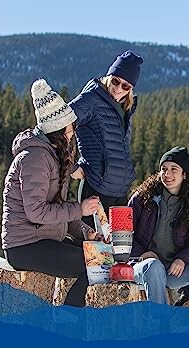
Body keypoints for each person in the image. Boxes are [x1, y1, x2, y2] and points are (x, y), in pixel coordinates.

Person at [1, 78, 100, 307]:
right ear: (58, 130)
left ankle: (68, 318)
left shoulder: (52, 156)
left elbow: (59, 211)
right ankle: (66, 325)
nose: (72, 133)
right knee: (92, 266)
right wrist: (81, 209)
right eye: (70, 128)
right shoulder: (35, 158)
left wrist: (86, 233)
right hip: (25, 246)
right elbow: (37, 213)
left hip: (44, 239)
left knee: (99, 257)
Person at [128, 146, 189, 308]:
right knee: (153, 266)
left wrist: (182, 259)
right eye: (164, 169)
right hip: (141, 265)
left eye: (174, 169)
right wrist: (142, 254)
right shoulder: (142, 198)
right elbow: (124, 233)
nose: (167, 174)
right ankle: (160, 318)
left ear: (184, 175)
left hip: (171, 270)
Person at [69, 50, 144, 223]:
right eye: (116, 81)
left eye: (126, 86)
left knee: (121, 247)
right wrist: (71, 165)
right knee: (93, 247)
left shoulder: (125, 108)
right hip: (97, 188)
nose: (119, 89)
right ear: (109, 77)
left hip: (120, 193)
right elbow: (60, 126)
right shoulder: (91, 99)